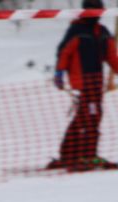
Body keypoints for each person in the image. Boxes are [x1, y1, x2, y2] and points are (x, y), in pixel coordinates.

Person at [49, 0, 118, 171]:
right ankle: (87, 156)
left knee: (85, 117)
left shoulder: (102, 32)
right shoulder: (77, 31)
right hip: (82, 81)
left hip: (96, 81)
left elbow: (111, 56)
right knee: (91, 116)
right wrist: (59, 72)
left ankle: (70, 154)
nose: (98, 13)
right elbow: (64, 52)